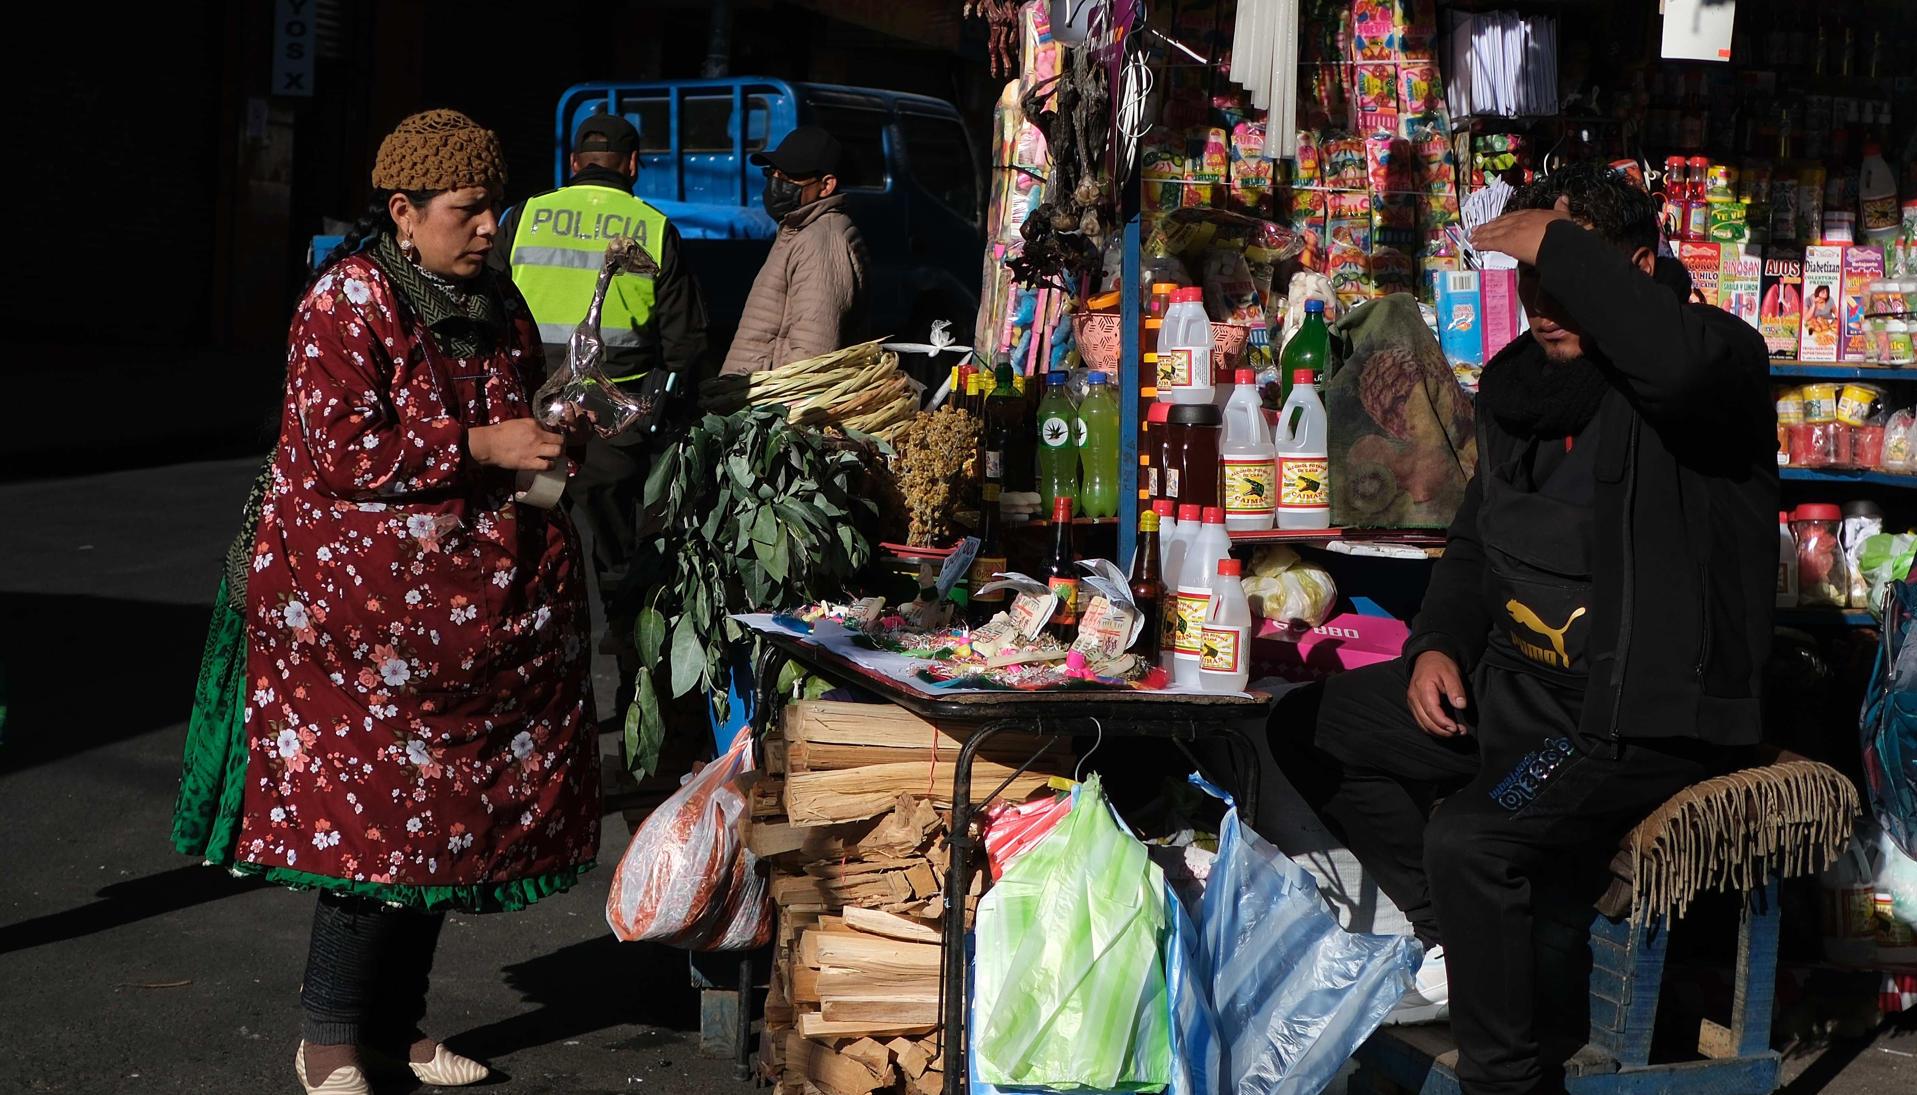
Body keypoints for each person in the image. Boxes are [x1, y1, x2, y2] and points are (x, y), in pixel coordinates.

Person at [1274, 161, 1776, 1095]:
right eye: (1533, 279)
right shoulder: (1517, 386)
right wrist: (1432, 648)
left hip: (1629, 717)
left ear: (1633, 265)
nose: (1544, 303)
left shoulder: (1715, 363)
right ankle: (1462, 948)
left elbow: (1670, 360)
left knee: (1472, 839)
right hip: (1518, 687)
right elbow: (1475, 546)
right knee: (1310, 726)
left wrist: (1560, 244)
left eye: (1568, 273)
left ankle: (1502, 1079)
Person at [171, 110, 599, 1095]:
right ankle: (327, 1043)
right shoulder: (346, 303)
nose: (492, 226)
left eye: (498, 205)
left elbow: (513, 408)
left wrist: (547, 438)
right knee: (373, 831)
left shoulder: (496, 298)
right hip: (356, 622)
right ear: (403, 213)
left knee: (444, 827)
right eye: (470, 208)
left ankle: (398, 1029)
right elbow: (342, 452)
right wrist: (486, 446)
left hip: (471, 619)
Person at [491, 114, 710, 700]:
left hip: (528, 419)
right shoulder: (654, 227)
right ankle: (626, 701)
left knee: (522, 560)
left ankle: (523, 690)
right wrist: (658, 413)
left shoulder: (523, 217)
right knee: (617, 573)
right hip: (615, 428)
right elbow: (685, 343)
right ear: (632, 165)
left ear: (572, 164)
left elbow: (486, 307)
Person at [719, 124, 870, 375]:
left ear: (826, 185)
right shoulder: (798, 231)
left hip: (777, 404)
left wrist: (781, 409)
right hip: (757, 399)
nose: (778, 183)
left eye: (790, 177)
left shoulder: (821, 241)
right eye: (774, 173)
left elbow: (813, 347)